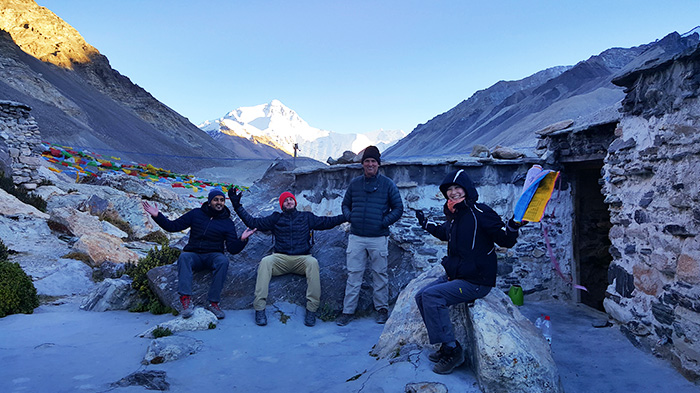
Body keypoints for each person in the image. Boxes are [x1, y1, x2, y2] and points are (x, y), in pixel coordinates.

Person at [413, 169, 526, 374]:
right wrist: (425, 224)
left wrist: (513, 226)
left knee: (431, 295)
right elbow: (445, 233)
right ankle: (445, 344)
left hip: (477, 282)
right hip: (458, 275)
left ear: (467, 190)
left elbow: (505, 239)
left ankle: (452, 350)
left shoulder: (481, 212)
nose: (454, 192)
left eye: (458, 188)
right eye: (449, 189)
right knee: (421, 296)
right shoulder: (455, 215)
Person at [229, 189, 346, 327]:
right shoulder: (275, 218)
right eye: (285, 200)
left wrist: (346, 216)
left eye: (290, 199)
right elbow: (253, 222)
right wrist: (237, 206)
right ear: (281, 205)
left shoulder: (306, 217)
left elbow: (327, 222)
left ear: (295, 202)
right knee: (266, 262)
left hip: (302, 259)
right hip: (280, 259)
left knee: (313, 262)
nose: (288, 201)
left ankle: (311, 310)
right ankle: (259, 309)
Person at [142, 188, 255, 320]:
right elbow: (172, 226)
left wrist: (242, 240)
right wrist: (157, 216)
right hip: (194, 254)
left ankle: (213, 303)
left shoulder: (227, 222)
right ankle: (186, 301)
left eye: (222, 200)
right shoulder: (196, 214)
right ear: (209, 201)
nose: (219, 203)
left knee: (223, 261)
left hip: (213, 255)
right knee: (184, 257)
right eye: (216, 200)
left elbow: (232, 249)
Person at [336, 145, 404, 326]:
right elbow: (345, 205)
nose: (370, 164)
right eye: (367, 161)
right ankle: (348, 311)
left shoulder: (388, 185)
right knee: (354, 275)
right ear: (362, 164)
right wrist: (351, 218)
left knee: (380, 274)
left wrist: (383, 222)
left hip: (379, 237)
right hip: (356, 236)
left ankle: (381, 309)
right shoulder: (355, 184)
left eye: (373, 161)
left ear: (378, 164)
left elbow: (398, 208)